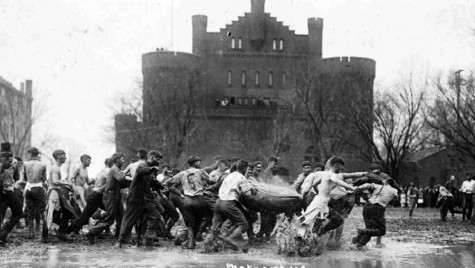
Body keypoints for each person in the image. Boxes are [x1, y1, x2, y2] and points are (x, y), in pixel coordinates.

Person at [296, 157, 365, 240]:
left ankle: (317, 234)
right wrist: (352, 188)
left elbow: (314, 185)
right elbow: (337, 181)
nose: (342, 169)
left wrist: (365, 174)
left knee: (335, 220)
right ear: (336, 165)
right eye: (341, 167)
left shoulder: (324, 174)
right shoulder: (331, 175)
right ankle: (306, 237)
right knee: (309, 222)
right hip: (320, 203)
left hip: (323, 202)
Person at [115, 150, 165, 248]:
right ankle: (120, 241)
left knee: (156, 216)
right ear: (151, 158)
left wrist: (163, 185)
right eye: (157, 159)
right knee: (129, 220)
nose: (159, 162)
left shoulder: (151, 169)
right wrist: (151, 169)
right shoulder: (142, 166)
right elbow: (142, 171)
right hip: (135, 198)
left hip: (145, 199)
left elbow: (153, 182)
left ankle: (146, 236)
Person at [204, 160, 256, 252]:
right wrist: (252, 189)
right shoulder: (241, 177)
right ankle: (229, 238)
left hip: (218, 202)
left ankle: (207, 246)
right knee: (243, 225)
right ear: (244, 168)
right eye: (247, 169)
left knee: (214, 228)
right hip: (228, 203)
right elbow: (245, 191)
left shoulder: (229, 174)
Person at [168, 155, 211, 249]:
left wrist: (180, 193)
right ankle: (192, 241)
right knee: (198, 222)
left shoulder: (182, 173)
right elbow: (211, 180)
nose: (200, 163)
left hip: (187, 200)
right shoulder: (201, 171)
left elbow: (169, 183)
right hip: (199, 199)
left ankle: (190, 242)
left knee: (189, 223)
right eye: (199, 161)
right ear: (195, 163)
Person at [86, 153, 126, 244]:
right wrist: (129, 174)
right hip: (111, 196)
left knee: (121, 217)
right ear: (116, 160)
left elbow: (123, 184)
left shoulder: (118, 170)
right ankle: (92, 232)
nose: (123, 161)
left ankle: (119, 237)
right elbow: (120, 178)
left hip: (116, 196)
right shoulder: (115, 169)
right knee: (110, 219)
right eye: (122, 159)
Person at [66, 158, 112, 234]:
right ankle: (71, 230)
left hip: (87, 192)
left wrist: (93, 181)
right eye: (88, 160)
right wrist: (75, 190)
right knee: (81, 213)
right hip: (79, 191)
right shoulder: (78, 168)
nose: (90, 162)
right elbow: (70, 179)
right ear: (83, 160)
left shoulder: (87, 170)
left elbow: (87, 182)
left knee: (87, 214)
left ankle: (97, 230)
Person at [351, 178, 398, 250]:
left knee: (369, 230)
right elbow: (395, 198)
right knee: (382, 231)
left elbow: (367, 185)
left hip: (367, 206)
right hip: (378, 208)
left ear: (386, 183)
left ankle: (358, 245)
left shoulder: (377, 186)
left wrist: (358, 188)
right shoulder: (394, 190)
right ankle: (362, 232)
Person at [45, 149, 77, 242]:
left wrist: (64, 183)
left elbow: (51, 180)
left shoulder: (56, 168)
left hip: (56, 192)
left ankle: (61, 232)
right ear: (58, 156)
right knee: (51, 213)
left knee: (68, 210)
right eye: (63, 155)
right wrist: (67, 184)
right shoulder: (55, 168)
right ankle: (47, 235)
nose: (65, 157)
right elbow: (55, 181)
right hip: (54, 193)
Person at [23, 147, 48, 239]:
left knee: (30, 211)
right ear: (38, 154)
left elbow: (25, 177)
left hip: (28, 188)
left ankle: (31, 233)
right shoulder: (43, 165)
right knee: (42, 211)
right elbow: (44, 179)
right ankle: (44, 234)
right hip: (38, 187)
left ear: (31, 154)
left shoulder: (26, 163)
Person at [0, 143, 22, 246]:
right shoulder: (14, 161)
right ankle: (4, 232)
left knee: (1, 212)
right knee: (18, 212)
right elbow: (17, 177)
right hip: (9, 190)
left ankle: (2, 234)